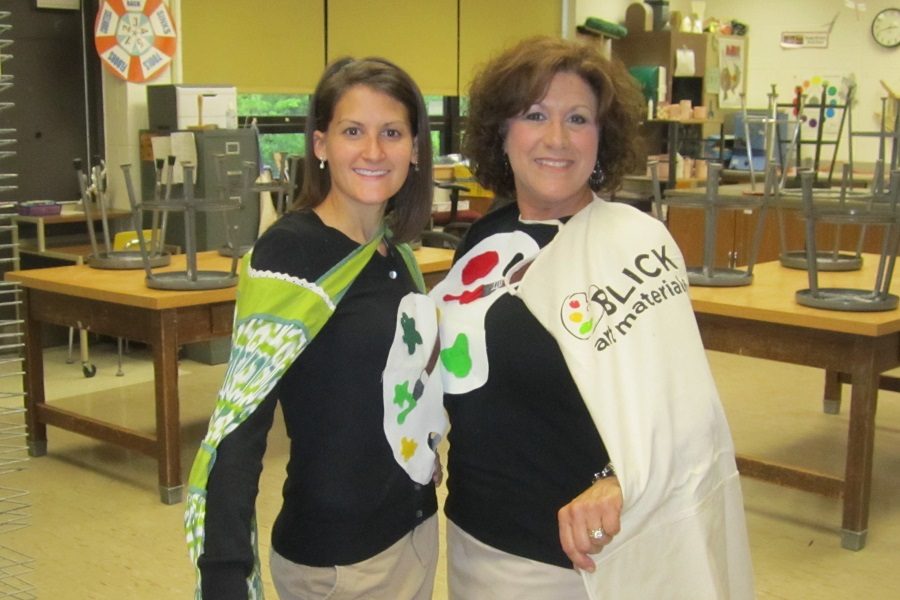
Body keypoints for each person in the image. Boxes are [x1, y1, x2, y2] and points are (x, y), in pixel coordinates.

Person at [430, 36, 754, 599]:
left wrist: (616, 479)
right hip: (474, 537)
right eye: (535, 115)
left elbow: (690, 411)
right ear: (501, 133)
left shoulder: (634, 242)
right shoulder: (483, 239)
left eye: (577, 119)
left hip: (580, 558)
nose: (556, 138)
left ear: (601, 139)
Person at [184, 57, 447, 600]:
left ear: (415, 149)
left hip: (413, 532)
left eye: (391, 132)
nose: (373, 151)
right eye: (353, 131)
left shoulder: (395, 254)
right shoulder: (291, 254)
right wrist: (225, 573)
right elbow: (240, 421)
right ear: (321, 145)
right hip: (339, 562)